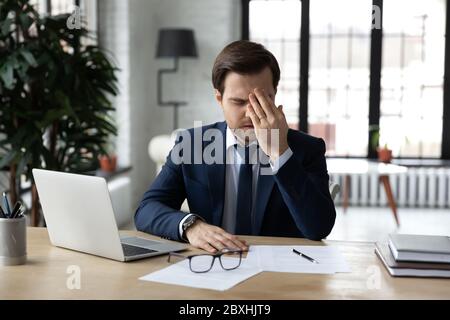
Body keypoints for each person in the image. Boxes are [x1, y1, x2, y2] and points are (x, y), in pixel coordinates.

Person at [135, 40, 336, 253]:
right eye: (239, 102)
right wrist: (191, 226)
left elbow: (318, 227)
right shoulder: (192, 144)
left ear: (274, 95)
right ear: (219, 99)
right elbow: (146, 210)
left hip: (279, 272)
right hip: (212, 266)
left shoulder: (307, 149)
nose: (250, 113)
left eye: (261, 100)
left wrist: (280, 152)